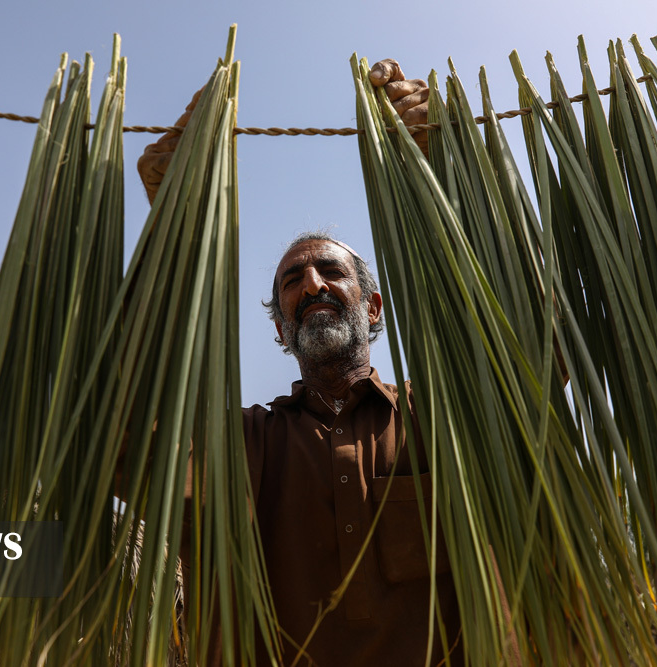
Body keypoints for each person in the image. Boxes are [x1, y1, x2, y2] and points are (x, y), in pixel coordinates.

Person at [134, 60, 494, 666]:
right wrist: (171, 225)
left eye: (332, 271)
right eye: (293, 281)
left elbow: (532, 365)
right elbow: (122, 442)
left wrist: (454, 169)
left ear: (373, 305)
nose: (313, 284)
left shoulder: (438, 415)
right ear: (280, 325)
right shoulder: (242, 442)